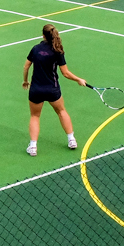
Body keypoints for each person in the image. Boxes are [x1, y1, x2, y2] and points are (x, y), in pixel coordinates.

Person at [22, 23, 88, 156]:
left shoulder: (35, 49)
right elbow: (65, 73)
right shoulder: (58, 50)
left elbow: (26, 66)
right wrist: (79, 80)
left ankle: (33, 147)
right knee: (61, 111)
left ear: (43, 35)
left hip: (36, 90)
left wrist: (25, 81)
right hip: (53, 89)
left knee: (35, 116)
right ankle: (71, 140)